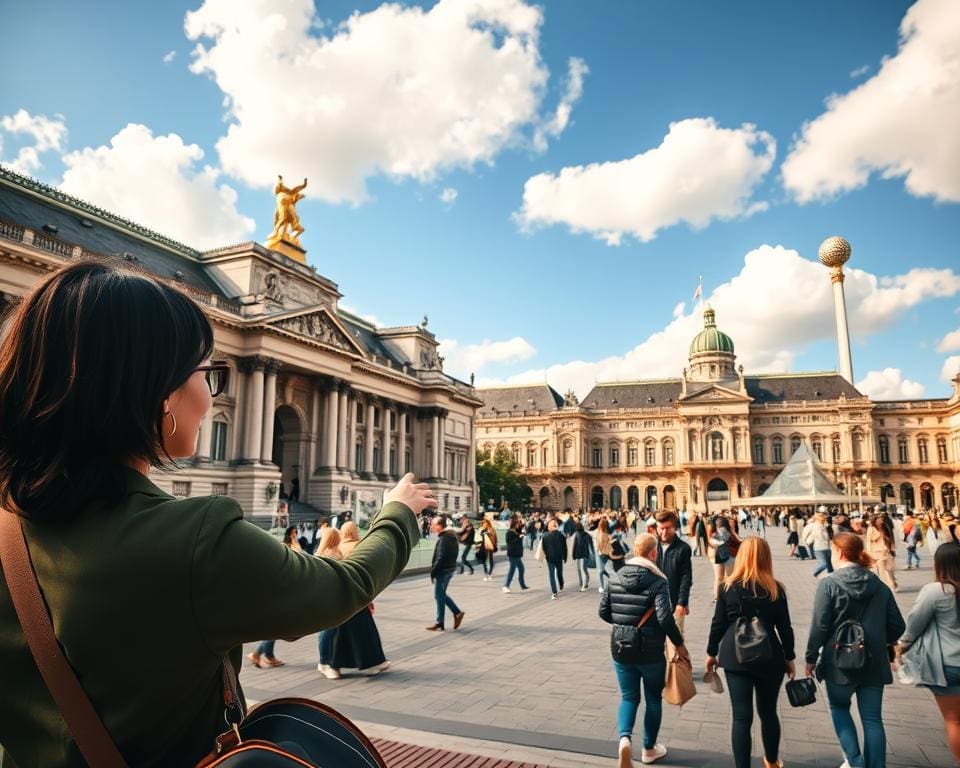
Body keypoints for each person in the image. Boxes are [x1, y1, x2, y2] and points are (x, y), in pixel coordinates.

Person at [0, 260, 436, 767]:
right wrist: (398, 514)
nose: (211, 397)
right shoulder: (198, 540)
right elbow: (342, 588)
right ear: (158, 389)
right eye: (207, 373)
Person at [805, 533, 906, 768]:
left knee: (839, 708)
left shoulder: (829, 584)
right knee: (872, 719)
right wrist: (881, 641)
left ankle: (855, 761)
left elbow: (819, 625)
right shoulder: (879, 586)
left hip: (838, 662)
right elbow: (898, 626)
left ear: (839, 553)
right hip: (873, 660)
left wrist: (810, 657)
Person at [599, 533, 688, 767]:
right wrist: (679, 643)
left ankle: (624, 740)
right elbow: (665, 619)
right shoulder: (658, 582)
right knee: (653, 699)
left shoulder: (616, 577)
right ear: (653, 553)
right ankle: (649, 749)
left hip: (620, 647)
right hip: (650, 651)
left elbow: (603, 611)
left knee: (628, 697)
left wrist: (622, 622)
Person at [706, 538, 795, 768]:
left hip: (735, 656)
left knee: (741, 717)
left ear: (742, 556)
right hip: (769, 655)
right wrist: (790, 656)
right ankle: (772, 761)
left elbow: (718, 622)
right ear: (767, 558)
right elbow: (785, 627)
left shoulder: (727, 586)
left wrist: (711, 652)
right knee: (768, 713)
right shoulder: (776, 588)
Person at [899, 542, 960, 762]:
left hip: (948, 664)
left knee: (954, 721)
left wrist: (902, 645)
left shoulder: (936, 590)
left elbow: (914, 623)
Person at [327, 522, 391, 677]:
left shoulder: (337, 547)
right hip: (356, 594)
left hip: (338, 597)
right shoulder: (359, 546)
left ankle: (334, 665)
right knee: (364, 630)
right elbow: (364, 573)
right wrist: (369, 598)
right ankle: (371, 661)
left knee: (340, 633)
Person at [249, 525, 304, 669]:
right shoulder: (286, 547)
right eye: (294, 533)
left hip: (277, 593)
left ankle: (269, 656)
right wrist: (295, 540)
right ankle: (258, 653)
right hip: (281, 594)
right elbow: (300, 554)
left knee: (275, 627)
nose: (296, 534)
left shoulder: (278, 550)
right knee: (278, 627)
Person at [654, 511, 692, 631]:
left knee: (675, 645)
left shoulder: (683, 548)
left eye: (668, 528)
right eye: (661, 528)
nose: (664, 532)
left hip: (674, 603)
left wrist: (682, 603)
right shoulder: (652, 546)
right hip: (653, 605)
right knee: (655, 645)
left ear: (675, 528)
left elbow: (686, 578)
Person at [426, 515, 465, 631]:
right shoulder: (450, 536)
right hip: (449, 569)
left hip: (443, 571)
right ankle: (440, 622)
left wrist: (434, 571)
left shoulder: (445, 538)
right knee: (441, 595)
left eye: (433, 524)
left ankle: (456, 613)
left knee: (439, 595)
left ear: (439, 526)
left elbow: (441, 557)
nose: (431, 526)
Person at [316, 527, 345, 679]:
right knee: (329, 631)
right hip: (332, 599)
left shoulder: (320, 553)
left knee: (325, 631)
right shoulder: (334, 554)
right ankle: (325, 662)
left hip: (323, 598)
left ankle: (324, 661)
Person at [865, 515, 898, 592]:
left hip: (887, 551)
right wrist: (869, 552)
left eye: (882, 519)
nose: (881, 521)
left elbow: (890, 537)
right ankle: (888, 586)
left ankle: (893, 582)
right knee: (882, 570)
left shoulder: (885, 527)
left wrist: (892, 546)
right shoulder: (871, 528)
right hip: (877, 552)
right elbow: (869, 540)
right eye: (880, 519)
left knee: (890, 568)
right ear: (875, 520)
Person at [709, 516, 736, 600]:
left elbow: (712, 543)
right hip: (726, 556)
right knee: (727, 577)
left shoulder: (715, 534)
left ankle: (717, 597)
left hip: (718, 556)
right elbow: (739, 540)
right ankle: (725, 596)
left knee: (718, 578)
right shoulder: (727, 533)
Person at [541, 518, 567, 599]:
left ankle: (554, 592)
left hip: (550, 558)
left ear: (549, 526)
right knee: (559, 573)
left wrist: (546, 555)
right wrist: (565, 557)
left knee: (551, 575)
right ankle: (561, 583)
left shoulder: (545, 536)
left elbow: (544, 547)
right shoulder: (561, 535)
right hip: (559, 557)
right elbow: (564, 547)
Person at [503, 514, 529, 593]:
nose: (519, 525)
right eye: (517, 524)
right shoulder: (509, 533)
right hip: (512, 554)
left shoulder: (517, 531)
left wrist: (523, 522)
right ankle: (506, 586)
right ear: (514, 525)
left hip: (517, 554)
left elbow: (524, 527)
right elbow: (509, 542)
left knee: (521, 569)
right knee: (512, 570)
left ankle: (522, 585)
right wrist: (519, 538)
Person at [803, 511, 834, 578]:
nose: (824, 520)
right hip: (819, 548)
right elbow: (810, 535)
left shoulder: (826, 526)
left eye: (825, 519)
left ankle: (832, 577)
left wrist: (828, 527)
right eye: (823, 519)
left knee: (830, 565)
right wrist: (807, 542)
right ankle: (815, 573)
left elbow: (830, 535)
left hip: (827, 547)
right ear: (818, 519)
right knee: (824, 564)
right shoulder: (814, 526)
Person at [572, 522, 594, 591]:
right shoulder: (582, 535)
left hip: (582, 555)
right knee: (582, 569)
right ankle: (583, 584)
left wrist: (573, 555)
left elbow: (574, 546)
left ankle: (584, 584)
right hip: (583, 555)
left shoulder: (582, 535)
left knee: (581, 569)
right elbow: (591, 546)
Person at [597, 515, 614, 592]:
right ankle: (611, 578)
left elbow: (599, 543)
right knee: (602, 569)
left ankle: (601, 586)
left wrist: (598, 550)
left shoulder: (600, 532)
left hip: (601, 552)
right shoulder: (606, 532)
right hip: (606, 552)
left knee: (600, 570)